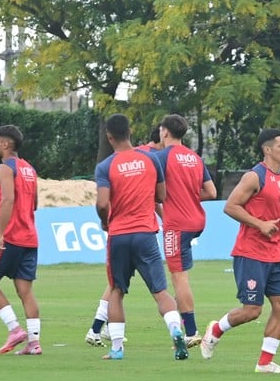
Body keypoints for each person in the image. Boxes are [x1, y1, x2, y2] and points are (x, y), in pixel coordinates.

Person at [201, 128, 280, 374]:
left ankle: (265, 363)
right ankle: (216, 329)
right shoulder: (254, 176)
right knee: (252, 311)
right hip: (251, 253)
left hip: (277, 254)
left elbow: (278, 210)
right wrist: (260, 225)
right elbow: (231, 206)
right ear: (267, 149)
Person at [95, 113, 189, 361]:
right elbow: (162, 196)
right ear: (130, 132)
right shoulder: (150, 159)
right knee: (160, 291)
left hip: (119, 235)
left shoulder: (105, 166)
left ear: (109, 136)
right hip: (146, 233)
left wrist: (105, 221)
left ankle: (117, 348)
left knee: (117, 291)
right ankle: (175, 329)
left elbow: (102, 203)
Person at [85, 124, 164, 346]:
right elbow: (153, 197)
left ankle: (98, 329)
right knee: (117, 286)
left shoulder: (142, 156)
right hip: (134, 229)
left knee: (116, 284)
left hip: (123, 231)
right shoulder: (148, 157)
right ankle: (97, 329)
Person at [154, 114, 219, 346]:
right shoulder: (194, 158)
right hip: (196, 220)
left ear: (164, 132)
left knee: (178, 278)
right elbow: (211, 192)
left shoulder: (161, 157)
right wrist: (189, 197)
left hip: (177, 224)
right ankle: (180, 318)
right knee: (180, 277)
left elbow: (152, 192)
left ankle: (191, 332)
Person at [0, 125, 43, 356]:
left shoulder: (4, 168)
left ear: (6, 144)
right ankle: (34, 343)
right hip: (30, 237)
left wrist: (0, 234)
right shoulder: (29, 168)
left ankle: (15, 329)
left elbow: (8, 200)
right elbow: (32, 204)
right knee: (25, 291)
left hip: (10, 236)